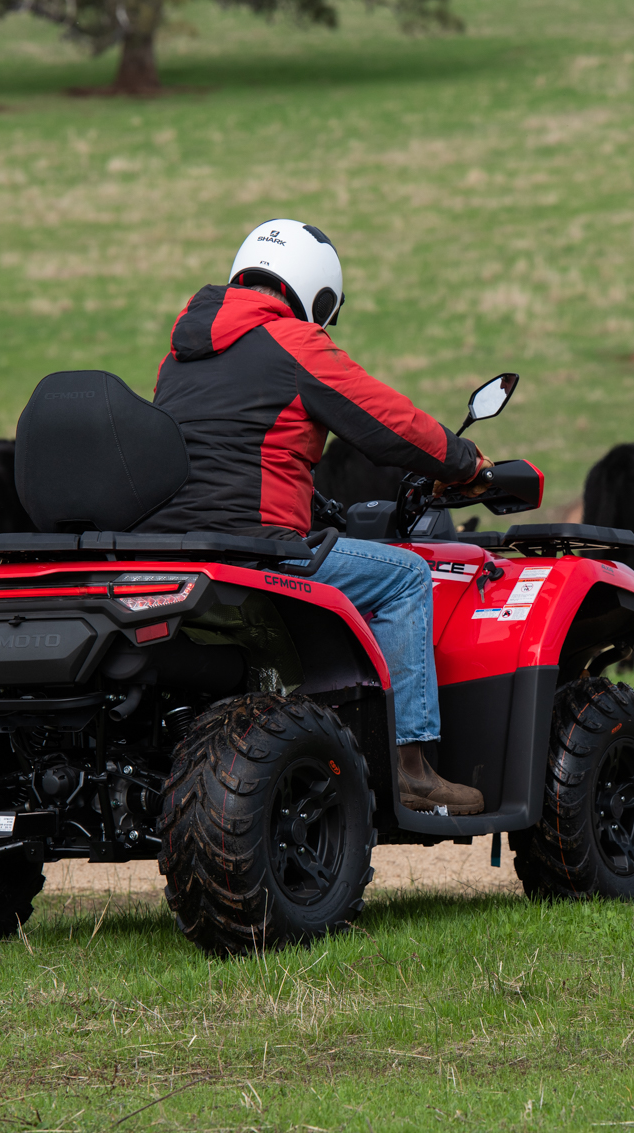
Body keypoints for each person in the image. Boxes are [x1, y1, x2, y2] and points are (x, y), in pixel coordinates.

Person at [138, 219, 492, 816]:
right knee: (404, 576)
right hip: (256, 549)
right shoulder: (295, 344)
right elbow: (388, 422)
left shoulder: (178, 356)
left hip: (175, 554)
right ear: (316, 294)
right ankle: (411, 768)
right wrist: (465, 463)